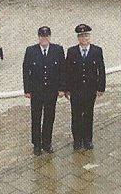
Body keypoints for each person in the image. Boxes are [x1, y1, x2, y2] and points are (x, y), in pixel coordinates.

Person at [22, 25, 66, 155]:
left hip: (51, 91)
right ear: (38, 37)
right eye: (42, 36)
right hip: (37, 91)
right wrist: (27, 89)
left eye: (46, 36)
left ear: (50, 37)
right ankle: (37, 144)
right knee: (36, 118)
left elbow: (62, 70)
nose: (44, 38)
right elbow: (26, 70)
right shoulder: (31, 51)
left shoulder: (57, 50)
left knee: (49, 117)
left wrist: (62, 88)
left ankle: (47, 142)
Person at [65, 23, 105, 151]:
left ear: (90, 37)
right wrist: (67, 89)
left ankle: (88, 139)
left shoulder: (97, 51)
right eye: (81, 36)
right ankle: (77, 140)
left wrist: (101, 87)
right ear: (78, 38)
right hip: (76, 90)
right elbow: (68, 71)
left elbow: (101, 70)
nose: (84, 39)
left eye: (86, 36)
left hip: (90, 89)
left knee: (88, 115)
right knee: (76, 115)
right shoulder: (72, 52)